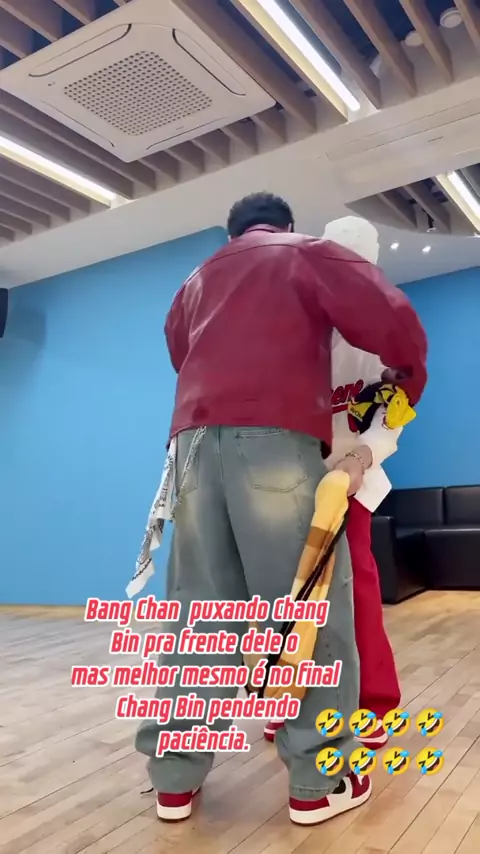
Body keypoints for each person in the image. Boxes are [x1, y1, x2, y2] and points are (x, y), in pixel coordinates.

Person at [134, 193, 428, 826]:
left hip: (189, 449)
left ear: (231, 234)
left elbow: (181, 352)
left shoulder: (194, 283)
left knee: (199, 616)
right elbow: (391, 314)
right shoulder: (304, 253)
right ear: (286, 227)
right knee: (307, 609)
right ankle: (319, 781)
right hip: (275, 441)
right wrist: (410, 374)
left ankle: (175, 779)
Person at [264, 217, 403, 751]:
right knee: (292, 598)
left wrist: (360, 459)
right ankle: (289, 701)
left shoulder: (386, 342)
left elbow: (391, 417)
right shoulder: (294, 334)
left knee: (356, 587)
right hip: (294, 485)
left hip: (353, 481)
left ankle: (373, 704)